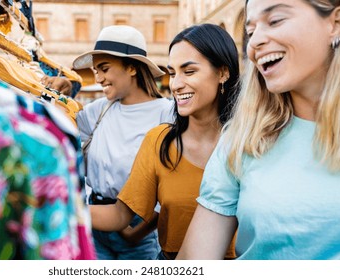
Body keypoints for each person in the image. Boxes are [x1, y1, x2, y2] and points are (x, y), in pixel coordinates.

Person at [177, 0, 340, 260]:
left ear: (336, 23)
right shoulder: (242, 141)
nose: (254, 44)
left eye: (275, 20)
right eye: (250, 32)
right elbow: (195, 263)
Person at [89, 24, 240, 260]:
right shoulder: (158, 141)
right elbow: (120, 215)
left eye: (188, 71)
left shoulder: (251, 145)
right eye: (172, 73)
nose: (176, 84)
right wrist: (49, 208)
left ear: (223, 73)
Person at [41, 25, 173, 260]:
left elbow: (171, 184)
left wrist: (136, 232)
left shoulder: (166, 112)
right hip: (94, 221)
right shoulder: (99, 110)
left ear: (132, 67)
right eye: (96, 70)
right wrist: (66, 91)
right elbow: (60, 124)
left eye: (104, 69)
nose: (99, 77)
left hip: (137, 232)